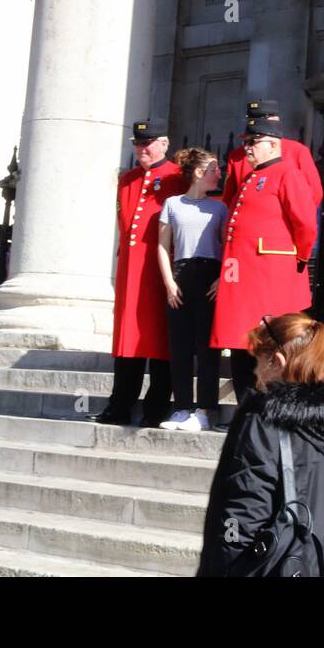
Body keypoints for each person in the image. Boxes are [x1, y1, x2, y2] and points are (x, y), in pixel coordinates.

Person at [197, 312, 324, 577]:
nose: (255, 372)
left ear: (277, 362)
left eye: (258, 361)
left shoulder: (262, 422)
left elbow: (236, 527)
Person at [210, 116, 318, 406]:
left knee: (268, 341)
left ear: (273, 144)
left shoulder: (287, 174)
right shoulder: (251, 177)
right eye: (246, 142)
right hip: (242, 273)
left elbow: (305, 224)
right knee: (239, 339)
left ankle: (271, 405)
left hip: (269, 271)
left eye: (254, 142)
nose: (247, 147)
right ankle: (247, 408)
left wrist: (301, 258)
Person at [93, 120, 188, 426]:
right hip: (131, 270)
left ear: (164, 143)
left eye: (147, 143)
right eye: (137, 143)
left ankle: (156, 406)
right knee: (127, 339)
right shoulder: (129, 179)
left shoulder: (177, 177)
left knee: (160, 337)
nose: (141, 149)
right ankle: (120, 403)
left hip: (160, 270)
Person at [159, 147, 227, 432]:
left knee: (207, 347)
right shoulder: (172, 204)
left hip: (210, 274)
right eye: (214, 169)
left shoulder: (220, 207)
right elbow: (162, 246)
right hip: (181, 274)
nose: (219, 173)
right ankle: (182, 407)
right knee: (180, 346)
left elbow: (227, 245)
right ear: (199, 173)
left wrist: (221, 278)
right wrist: (168, 282)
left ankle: (204, 409)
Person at [222, 99, 323, 211]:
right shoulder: (236, 155)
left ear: (275, 120)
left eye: (262, 119)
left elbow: (314, 193)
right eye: (252, 119)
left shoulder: (298, 151)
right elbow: (229, 198)